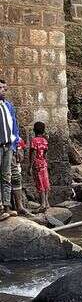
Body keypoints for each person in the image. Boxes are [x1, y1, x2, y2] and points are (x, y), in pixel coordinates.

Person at [0, 79, 20, 221]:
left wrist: (16, 145)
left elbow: (15, 126)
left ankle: (7, 206)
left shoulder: (8, 106)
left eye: (4, 88)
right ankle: (0, 208)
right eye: (0, 88)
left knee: (7, 175)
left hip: (8, 146)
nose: (3, 90)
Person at [29, 122, 51, 212]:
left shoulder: (34, 140)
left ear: (34, 130)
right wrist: (46, 163)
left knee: (40, 183)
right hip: (44, 163)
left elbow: (34, 154)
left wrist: (30, 167)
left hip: (37, 164)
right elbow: (45, 154)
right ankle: (47, 202)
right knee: (46, 182)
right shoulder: (45, 141)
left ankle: (42, 204)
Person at [11, 138, 30, 216]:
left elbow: (21, 157)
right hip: (12, 161)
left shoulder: (18, 140)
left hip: (15, 164)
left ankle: (18, 206)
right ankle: (15, 206)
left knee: (15, 181)